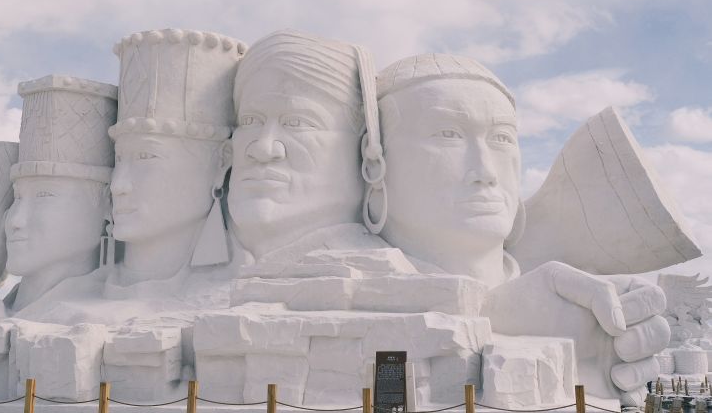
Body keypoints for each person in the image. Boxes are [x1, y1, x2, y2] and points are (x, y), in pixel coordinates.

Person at [376, 53, 669, 405]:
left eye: (501, 138)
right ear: (374, 161)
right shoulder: (334, 289)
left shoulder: (559, 298)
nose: (486, 171)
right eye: (448, 134)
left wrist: (595, 370)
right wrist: (494, 313)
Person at [0, 75, 117, 321]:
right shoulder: (7, 305)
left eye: (45, 194)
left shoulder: (86, 316)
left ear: (108, 205)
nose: (15, 220)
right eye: (16, 197)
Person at [228, 29, 388, 264]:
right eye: (251, 121)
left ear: (367, 149)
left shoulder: (401, 287)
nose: (263, 149)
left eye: (297, 123)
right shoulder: (171, 288)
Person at [104, 29, 243, 293]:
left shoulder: (247, 293)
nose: (118, 185)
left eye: (146, 156)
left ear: (221, 162)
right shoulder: (62, 301)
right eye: (119, 159)